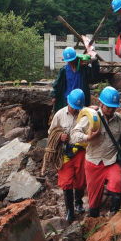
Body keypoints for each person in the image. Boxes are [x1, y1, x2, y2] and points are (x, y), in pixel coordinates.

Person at [71, 86, 121, 217]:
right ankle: (94, 218)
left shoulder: (119, 119)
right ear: (101, 103)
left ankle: (114, 214)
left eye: (113, 107)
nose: (111, 109)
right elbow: (74, 134)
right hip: (93, 162)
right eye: (108, 106)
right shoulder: (92, 118)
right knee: (93, 199)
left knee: (117, 181)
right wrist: (88, 137)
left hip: (111, 161)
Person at [49, 89, 88, 221]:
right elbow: (51, 132)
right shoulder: (59, 115)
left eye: (77, 108)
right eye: (72, 107)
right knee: (66, 181)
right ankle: (69, 211)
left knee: (81, 178)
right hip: (65, 152)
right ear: (68, 102)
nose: (74, 110)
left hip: (80, 150)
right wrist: (60, 136)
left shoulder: (84, 115)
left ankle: (78, 203)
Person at [51, 41, 99, 113]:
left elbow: (93, 75)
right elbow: (57, 83)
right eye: (69, 61)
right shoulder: (64, 70)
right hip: (68, 100)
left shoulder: (83, 69)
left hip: (81, 100)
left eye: (72, 60)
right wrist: (54, 95)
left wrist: (95, 61)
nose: (70, 62)